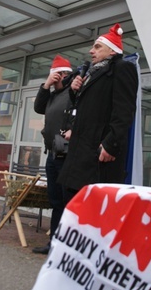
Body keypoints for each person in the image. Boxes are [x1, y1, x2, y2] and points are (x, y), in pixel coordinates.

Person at [58, 23, 138, 203]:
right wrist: (74, 91)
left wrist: (111, 144)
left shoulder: (122, 68)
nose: (91, 51)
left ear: (112, 51)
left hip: (97, 157)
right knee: (70, 205)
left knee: (92, 214)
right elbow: (85, 108)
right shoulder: (93, 73)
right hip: (80, 153)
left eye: (97, 46)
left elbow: (124, 111)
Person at [32, 55, 73, 255]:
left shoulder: (73, 93)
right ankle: (54, 243)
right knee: (55, 201)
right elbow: (38, 107)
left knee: (68, 202)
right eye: (57, 74)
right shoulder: (52, 96)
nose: (61, 77)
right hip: (52, 155)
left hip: (68, 156)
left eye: (64, 74)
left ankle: (67, 246)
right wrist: (46, 85)